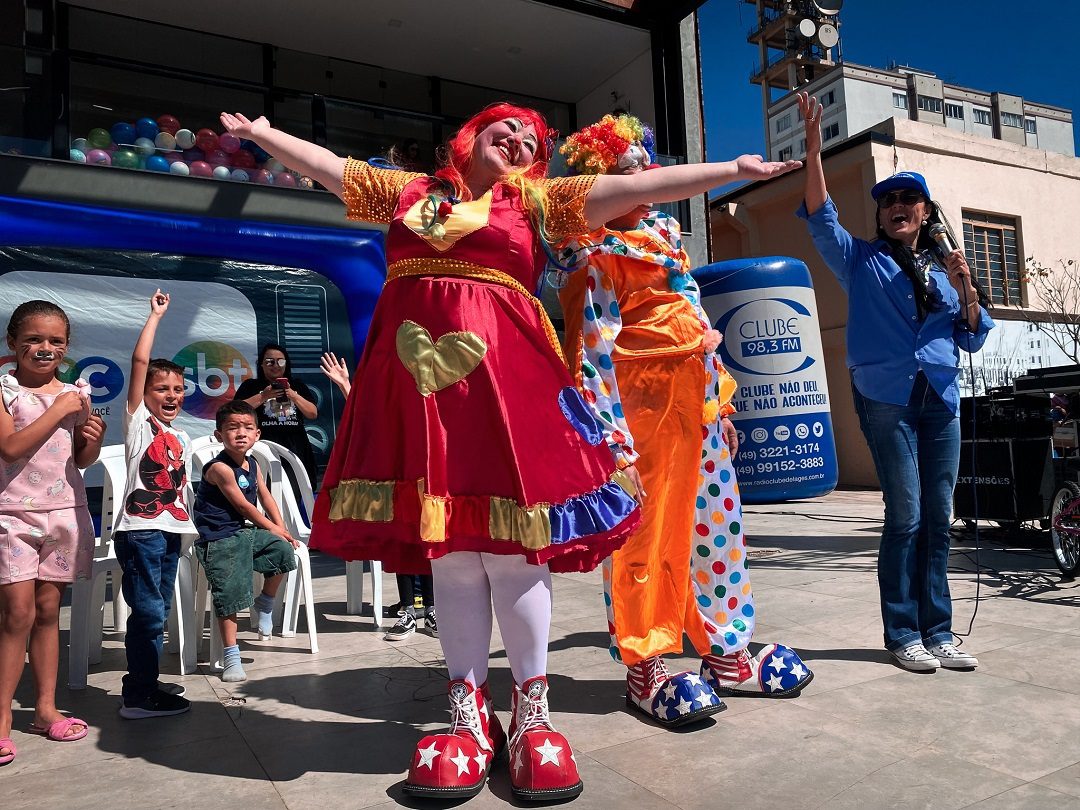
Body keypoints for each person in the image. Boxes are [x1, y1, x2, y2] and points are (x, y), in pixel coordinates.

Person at [221, 101, 796, 801]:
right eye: (508, 126)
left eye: (533, 139)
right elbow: (329, 169)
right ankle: (468, 716)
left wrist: (731, 170)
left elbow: (638, 189)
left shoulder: (538, 201)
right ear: (469, 134)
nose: (521, 139)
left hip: (509, 390)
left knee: (515, 549)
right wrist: (261, 135)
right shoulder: (404, 194)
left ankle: (532, 715)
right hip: (422, 394)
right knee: (454, 554)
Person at [557, 115, 813, 727]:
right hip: (638, 426)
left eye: (645, 164)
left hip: (696, 417)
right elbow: (591, 354)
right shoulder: (594, 256)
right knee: (643, 542)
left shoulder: (668, 241)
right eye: (624, 172)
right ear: (596, 184)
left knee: (717, 534)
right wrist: (612, 445)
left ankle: (727, 655)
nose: (643, 178)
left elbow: (699, 331)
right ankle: (645, 668)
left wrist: (720, 402)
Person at [795, 92, 994, 672]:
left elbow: (973, 336)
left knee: (939, 516)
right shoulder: (861, 259)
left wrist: (971, 293)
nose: (899, 206)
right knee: (905, 514)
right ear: (881, 215)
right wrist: (813, 147)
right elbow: (820, 213)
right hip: (886, 400)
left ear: (926, 212)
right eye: (890, 201)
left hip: (941, 398)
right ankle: (903, 632)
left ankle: (941, 631)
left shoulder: (945, 271)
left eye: (910, 199)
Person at [0, 300, 104, 764]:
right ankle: (2, 718)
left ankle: (45, 707)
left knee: (47, 611)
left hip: (64, 514)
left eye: (56, 341)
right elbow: (10, 447)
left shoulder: (77, 393)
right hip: (12, 516)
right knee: (16, 614)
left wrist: (91, 441)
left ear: (67, 346)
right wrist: (58, 408)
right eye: (35, 339)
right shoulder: (4, 392)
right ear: (12, 343)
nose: (45, 348)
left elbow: (79, 461)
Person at [113, 290, 194, 718]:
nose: (171, 394)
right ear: (143, 394)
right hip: (140, 531)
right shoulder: (138, 423)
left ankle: (146, 680)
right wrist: (155, 317)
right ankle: (138, 696)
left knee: (157, 610)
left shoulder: (180, 436)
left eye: (178, 389)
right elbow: (139, 364)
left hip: (170, 531)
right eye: (161, 388)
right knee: (147, 611)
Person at [321, 351, 437, 640]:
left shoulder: (433, 386)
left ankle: (434, 609)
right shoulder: (388, 385)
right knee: (401, 541)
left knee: (429, 542)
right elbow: (366, 421)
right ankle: (408, 609)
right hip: (397, 479)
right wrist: (346, 386)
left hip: (430, 480)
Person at [192, 400, 298, 683]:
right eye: (232, 428)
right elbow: (245, 508)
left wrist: (281, 529)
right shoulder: (219, 469)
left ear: (257, 434)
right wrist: (273, 528)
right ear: (219, 435)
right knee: (230, 590)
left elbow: (265, 497)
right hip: (218, 538)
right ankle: (231, 655)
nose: (241, 433)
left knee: (284, 551)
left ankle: (265, 601)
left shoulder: (253, 464)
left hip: (242, 533)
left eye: (248, 428)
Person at [234, 344, 318, 489]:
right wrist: (263, 396)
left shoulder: (297, 386)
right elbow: (235, 410)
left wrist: (293, 395)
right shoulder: (251, 385)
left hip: (295, 446)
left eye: (280, 361)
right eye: (269, 361)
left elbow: (312, 413)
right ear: (261, 364)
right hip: (262, 446)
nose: (275, 365)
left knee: (296, 490)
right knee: (264, 490)